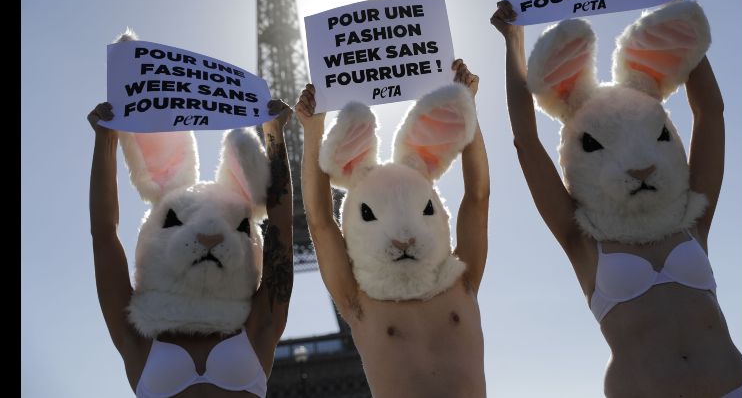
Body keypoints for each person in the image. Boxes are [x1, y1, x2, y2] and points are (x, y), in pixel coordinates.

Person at [490, 0, 742, 397]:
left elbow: (710, 114)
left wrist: (674, 9)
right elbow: (526, 141)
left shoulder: (692, 219)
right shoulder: (582, 240)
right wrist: (512, 41)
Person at [295, 61, 489, 398]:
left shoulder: (462, 281)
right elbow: (321, 223)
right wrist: (312, 133)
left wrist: (467, 106)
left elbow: (478, 197)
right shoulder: (358, 302)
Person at [88, 88, 294, 397]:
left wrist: (274, 133)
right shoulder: (136, 333)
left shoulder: (256, 325)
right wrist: (105, 140)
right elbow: (104, 234)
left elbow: (281, 230)